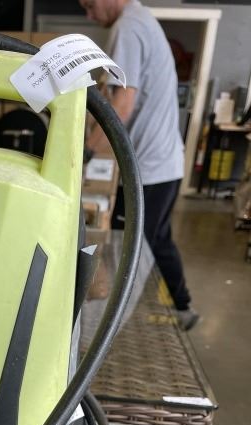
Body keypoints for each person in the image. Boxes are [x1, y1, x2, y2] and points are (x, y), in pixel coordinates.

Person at [80, 0, 199, 330]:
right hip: (166, 164)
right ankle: (184, 307)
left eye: (89, 5)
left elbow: (122, 105)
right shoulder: (142, 20)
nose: (90, 15)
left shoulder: (128, 27)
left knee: (126, 248)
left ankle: (100, 332)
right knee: (157, 239)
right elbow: (113, 95)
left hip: (147, 170)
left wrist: (84, 155)